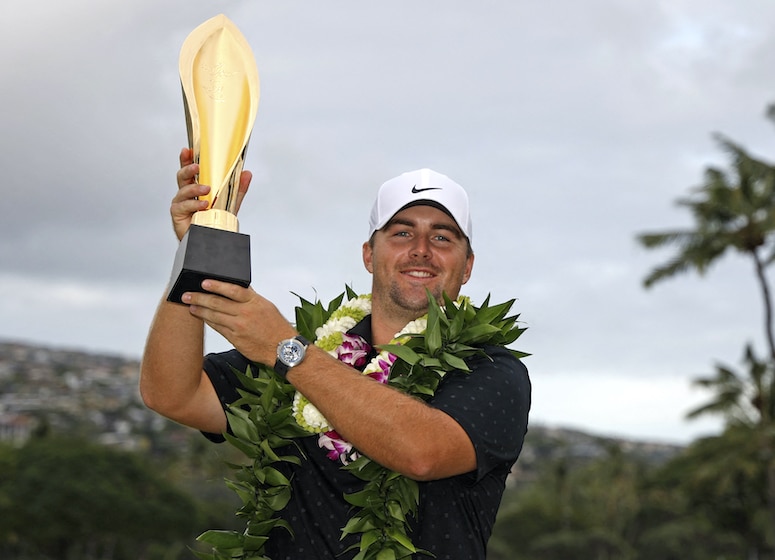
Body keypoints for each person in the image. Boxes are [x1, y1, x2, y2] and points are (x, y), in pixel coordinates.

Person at [140, 148, 531, 560]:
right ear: (368, 254)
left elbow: (421, 453)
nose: (420, 249)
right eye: (401, 233)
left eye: (441, 237)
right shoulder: (311, 347)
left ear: (467, 266)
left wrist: (288, 352)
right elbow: (172, 394)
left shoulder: (493, 371)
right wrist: (197, 249)